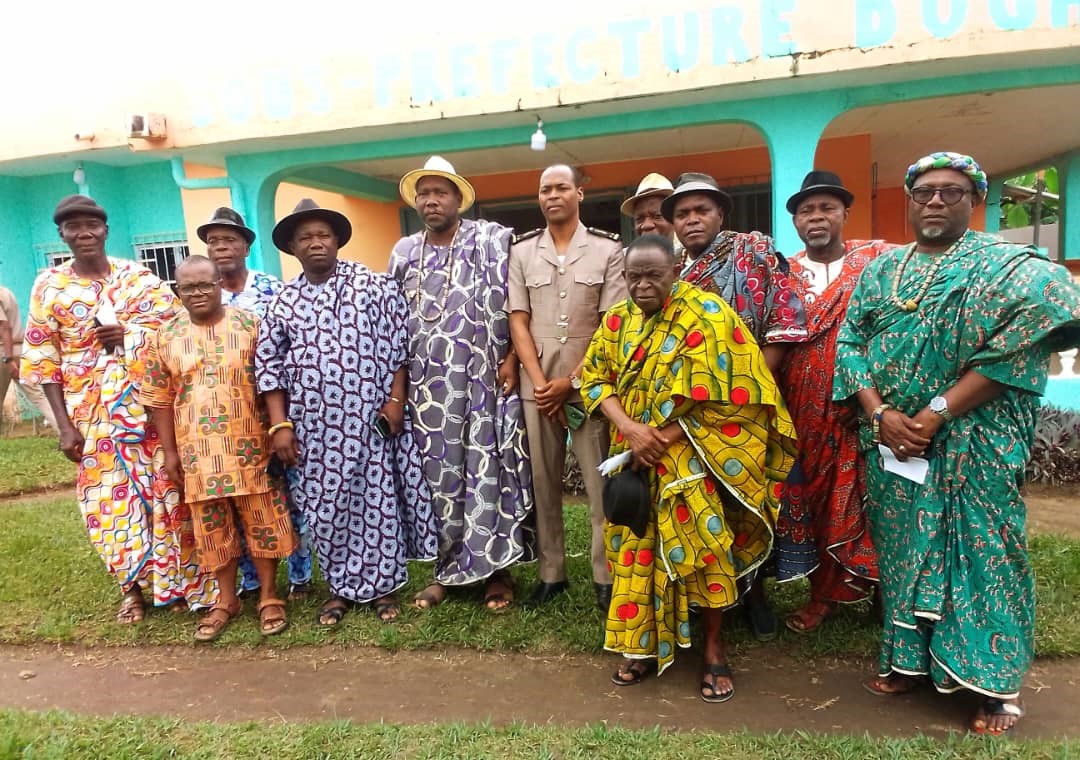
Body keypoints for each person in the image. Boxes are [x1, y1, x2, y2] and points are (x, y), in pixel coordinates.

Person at [833, 152, 1080, 735]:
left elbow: (1021, 347)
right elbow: (850, 343)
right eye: (924, 192)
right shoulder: (882, 271)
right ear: (910, 200)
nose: (936, 201)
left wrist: (938, 412)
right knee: (902, 555)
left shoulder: (1013, 268)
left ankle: (992, 686)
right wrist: (882, 413)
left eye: (951, 192)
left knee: (985, 553)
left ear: (976, 200)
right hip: (894, 443)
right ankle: (907, 662)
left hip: (976, 442)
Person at [582, 234, 797, 702]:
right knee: (635, 547)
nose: (641, 286)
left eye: (652, 276)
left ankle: (715, 648)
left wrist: (663, 437)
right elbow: (592, 379)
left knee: (705, 550)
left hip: (691, 456)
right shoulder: (616, 322)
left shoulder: (710, 315)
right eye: (633, 277)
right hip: (633, 460)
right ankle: (640, 645)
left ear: (676, 270)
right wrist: (631, 429)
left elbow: (742, 392)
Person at [21, 194, 216, 623]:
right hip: (90, 411)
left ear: (105, 230)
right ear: (63, 236)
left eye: (92, 225)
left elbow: (176, 332)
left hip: (149, 407)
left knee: (166, 492)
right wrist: (64, 426)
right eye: (74, 227)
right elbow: (42, 357)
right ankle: (131, 588)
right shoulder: (49, 285)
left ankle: (176, 581)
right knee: (109, 499)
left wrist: (128, 333)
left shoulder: (139, 277)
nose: (84, 233)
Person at [256, 198, 438, 626]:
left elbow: (398, 348)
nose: (315, 243)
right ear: (293, 249)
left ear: (337, 240)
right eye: (305, 238)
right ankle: (339, 588)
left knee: (377, 502)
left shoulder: (373, 286)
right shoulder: (283, 302)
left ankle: (383, 589)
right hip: (313, 427)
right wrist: (280, 425)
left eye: (322, 235)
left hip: (370, 418)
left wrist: (395, 401)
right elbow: (270, 367)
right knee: (325, 507)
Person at [663, 172, 808, 640]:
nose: (692, 220)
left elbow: (784, 323)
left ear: (720, 213)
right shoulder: (673, 277)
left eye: (701, 210)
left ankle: (757, 595)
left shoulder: (755, 254)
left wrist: (740, 390)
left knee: (751, 502)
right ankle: (708, 598)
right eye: (682, 214)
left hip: (748, 407)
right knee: (704, 508)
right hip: (690, 415)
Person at [391, 156, 535, 612]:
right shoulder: (403, 252)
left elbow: (517, 303)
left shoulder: (491, 240)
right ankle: (447, 572)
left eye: (441, 192)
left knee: (490, 471)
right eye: (424, 193)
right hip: (429, 389)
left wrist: (512, 357)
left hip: (485, 380)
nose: (431, 201)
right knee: (440, 481)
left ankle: (497, 573)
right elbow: (393, 322)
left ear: (458, 199)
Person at [144, 256, 297, 641]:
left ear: (220, 285)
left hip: (250, 444)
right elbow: (159, 399)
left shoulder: (250, 326)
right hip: (197, 452)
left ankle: (268, 596)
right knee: (212, 528)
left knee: (263, 520)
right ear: (177, 290)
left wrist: (279, 427)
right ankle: (225, 600)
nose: (197, 293)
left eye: (205, 285)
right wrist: (171, 452)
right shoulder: (164, 336)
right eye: (188, 287)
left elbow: (272, 379)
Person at [775, 171, 890, 633]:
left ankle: (884, 592)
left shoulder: (878, 262)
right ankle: (823, 595)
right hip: (802, 404)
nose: (817, 217)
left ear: (845, 212)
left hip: (867, 405)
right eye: (807, 210)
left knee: (877, 498)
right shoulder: (783, 272)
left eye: (826, 207)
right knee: (819, 500)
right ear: (797, 221)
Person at [508, 164, 626, 610]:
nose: (552, 195)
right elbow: (518, 320)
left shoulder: (607, 250)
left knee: (599, 484)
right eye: (544, 189)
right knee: (544, 483)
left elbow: (610, 324)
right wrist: (542, 385)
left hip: (590, 387)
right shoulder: (521, 253)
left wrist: (570, 381)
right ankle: (551, 573)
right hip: (536, 387)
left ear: (579, 193)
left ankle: (604, 575)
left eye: (560, 187)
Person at [196, 206, 313, 602]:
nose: (221, 247)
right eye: (213, 241)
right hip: (224, 419)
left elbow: (289, 349)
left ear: (246, 246)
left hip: (272, 411)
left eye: (229, 240)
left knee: (286, 494)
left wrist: (284, 418)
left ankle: (300, 575)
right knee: (236, 499)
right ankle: (249, 581)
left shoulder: (272, 291)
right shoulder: (200, 295)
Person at [1, 283, 56, 428]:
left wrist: (8, 358)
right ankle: (67, 432)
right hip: (20, 349)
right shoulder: (6, 291)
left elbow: (3, 326)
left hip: (5, 353)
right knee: (39, 397)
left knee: (39, 396)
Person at [620, 173, 677, 242]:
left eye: (657, 216)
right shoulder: (626, 253)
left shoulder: (689, 252)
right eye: (639, 219)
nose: (646, 225)